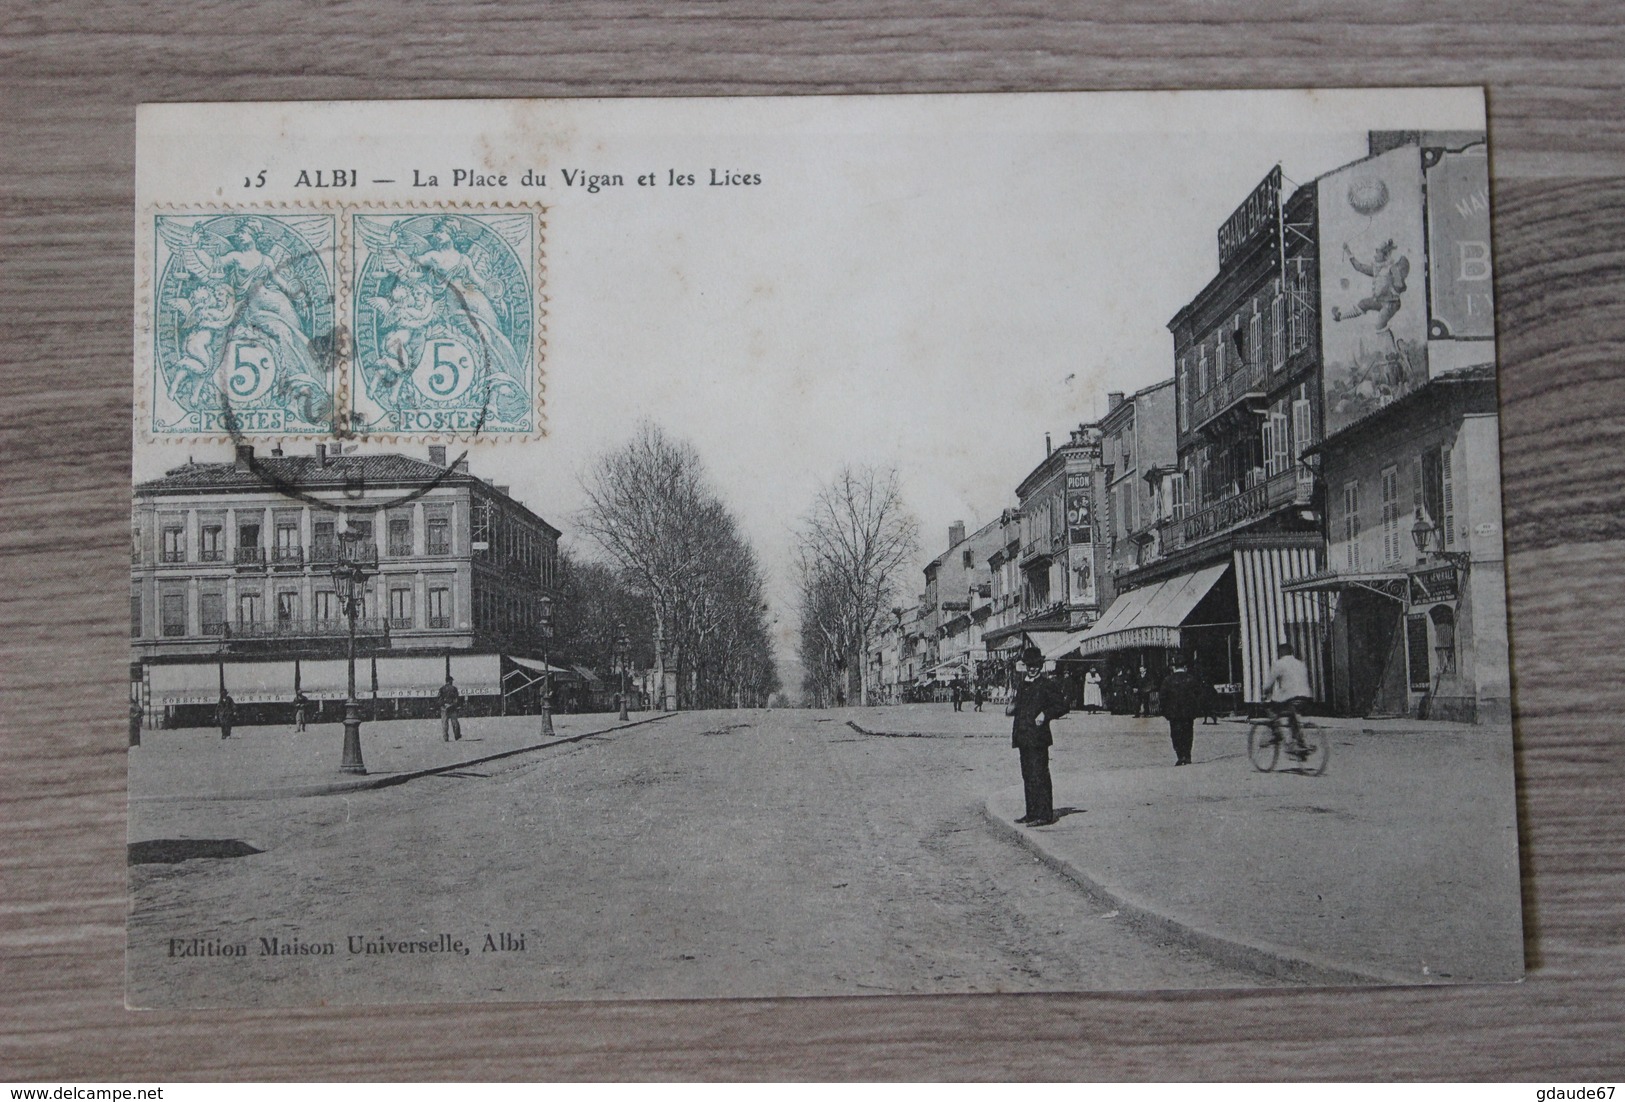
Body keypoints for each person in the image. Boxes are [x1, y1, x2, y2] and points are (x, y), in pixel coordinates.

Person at [1009, 646, 1071, 827]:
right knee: (1027, 775)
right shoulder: (1023, 684)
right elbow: (1019, 706)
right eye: (1029, 665)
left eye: (1035, 665)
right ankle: (1031, 812)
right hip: (1023, 736)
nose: (1032, 668)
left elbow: (1062, 706)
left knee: (1040, 774)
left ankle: (1044, 814)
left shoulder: (1047, 684)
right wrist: (1012, 708)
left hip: (1038, 737)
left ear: (1041, 665)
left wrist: (1045, 714)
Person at [1265, 643, 1314, 756]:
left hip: (1290, 698)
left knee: (1271, 710)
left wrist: (1265, 692)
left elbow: (1269, 684)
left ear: (1280, 652)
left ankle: (1277, 735)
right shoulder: (1300, 664)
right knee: (1293, 717)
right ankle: (1300, 744)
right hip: (1305, 697)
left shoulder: (1279, 664)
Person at [1159, 655, 1207, 765]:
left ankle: (1180, 756)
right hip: (1188, 712)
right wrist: (1196, 708)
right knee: (1188, 733)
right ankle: (1187, 755)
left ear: (1174, 667)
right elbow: (1200, 694)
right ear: (1185, 667)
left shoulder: (1168, 680)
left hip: (1173, 713)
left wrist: (1165, 711)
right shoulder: (1191, 679)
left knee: (1176, 734)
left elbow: (1162, 697)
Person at [438, 676, 463, 742]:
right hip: (452, 707)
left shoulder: (441, 689)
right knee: (455, 722)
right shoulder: (454, 688)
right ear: (450, 681)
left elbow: (439, 699)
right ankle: (457, 735)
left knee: (444, 723)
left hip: (444, 708)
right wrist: (454, 704)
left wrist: (443, 705)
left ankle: (445, 737)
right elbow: (457, 698)